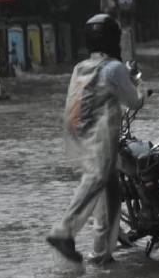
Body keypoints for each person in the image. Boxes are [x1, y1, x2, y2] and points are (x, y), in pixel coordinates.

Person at [47, 14, 143, 265]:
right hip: (100, 133)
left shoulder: (80, 67)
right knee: (97, 179)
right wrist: (138, 84)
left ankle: (102, 255)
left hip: (77, 132)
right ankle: (63, 231)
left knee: (111, 192)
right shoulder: (114, 68)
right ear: (113, 39)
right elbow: (133, 101)